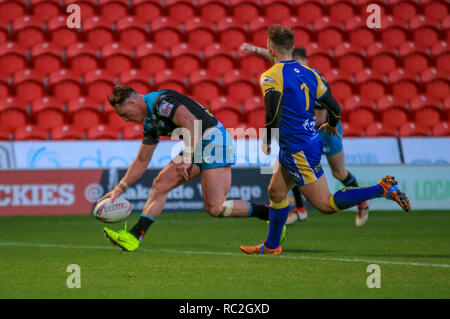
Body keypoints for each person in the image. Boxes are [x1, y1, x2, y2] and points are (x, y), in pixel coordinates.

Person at [239, 25, 411, 255]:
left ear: (270, 49)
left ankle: (381, 188)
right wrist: (331, 123)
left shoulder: (270, 76)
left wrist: (268, 138)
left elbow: (272, 112)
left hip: (297, 148)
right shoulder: (311, 73)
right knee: (276, 192)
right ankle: (271, 245)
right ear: (291, 48)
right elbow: (335, 107)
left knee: (325, 205)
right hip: (308, 140)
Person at [100, 85, 286, 252]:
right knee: (161, 183)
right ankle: (134, 236)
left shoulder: (160, 102)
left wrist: (187, 158)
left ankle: (271, 215)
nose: (126, 120)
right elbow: (142, 160)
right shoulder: (150, 122)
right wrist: (119, 189)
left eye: (124, 114)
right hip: (196, 144)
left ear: (132, 103)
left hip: (215, 141)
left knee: (215, 208)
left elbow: (191, 122)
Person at [240, 44, 369, 227]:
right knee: (289, 164)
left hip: (324, 129)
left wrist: (295, 127)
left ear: (305, 62)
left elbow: (322, 118)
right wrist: (254, 49)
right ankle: (300, 209)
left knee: (339, 173)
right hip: (304, 132)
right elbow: (274, 53)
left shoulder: (310, 78)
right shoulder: (289, 72)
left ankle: (364, 200)